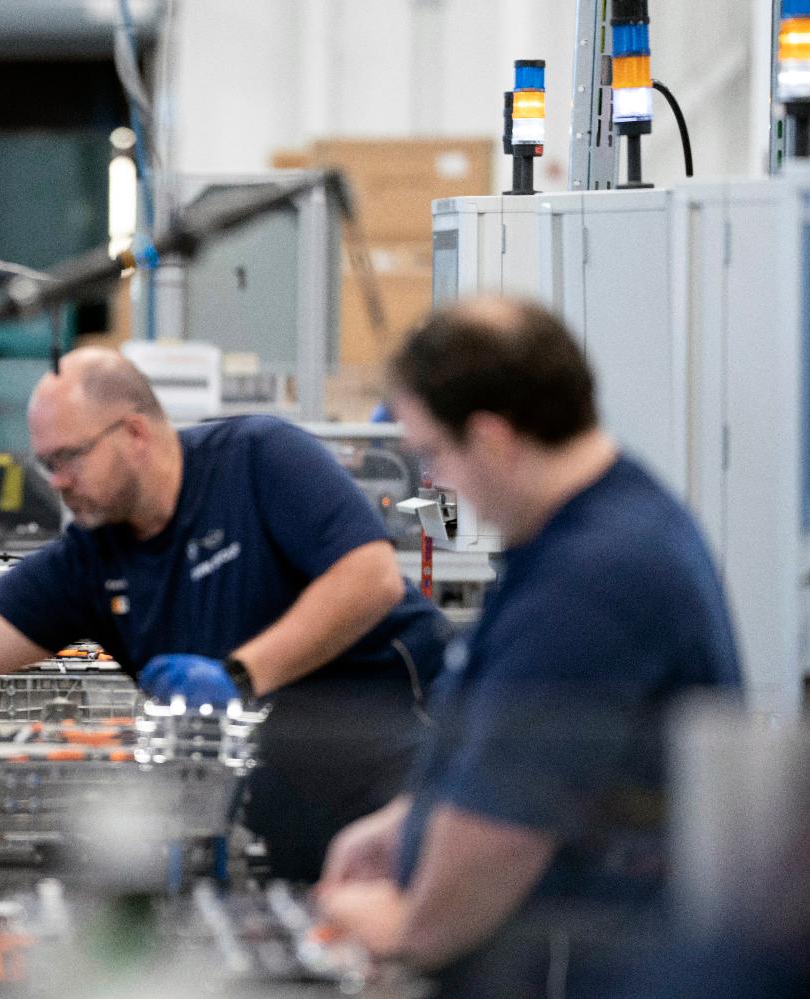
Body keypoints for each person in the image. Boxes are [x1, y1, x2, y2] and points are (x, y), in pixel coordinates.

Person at [0, 346, 450, 880]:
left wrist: (241, 672)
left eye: (69, 458)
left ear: (132, 431)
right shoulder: (91, 561)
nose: (57, 483)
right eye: (45, 464)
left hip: (410, 761)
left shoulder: (257, 458)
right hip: (284, 795)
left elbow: (368, 579)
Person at [315, 299, 741, 997]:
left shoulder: (594, 578)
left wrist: (403, 923)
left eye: (432, 455)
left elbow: (504, 827)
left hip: (594, 967)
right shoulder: (582, 533)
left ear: (490, 438)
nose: (435, 484)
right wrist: (408, 820)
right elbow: (505, 738)